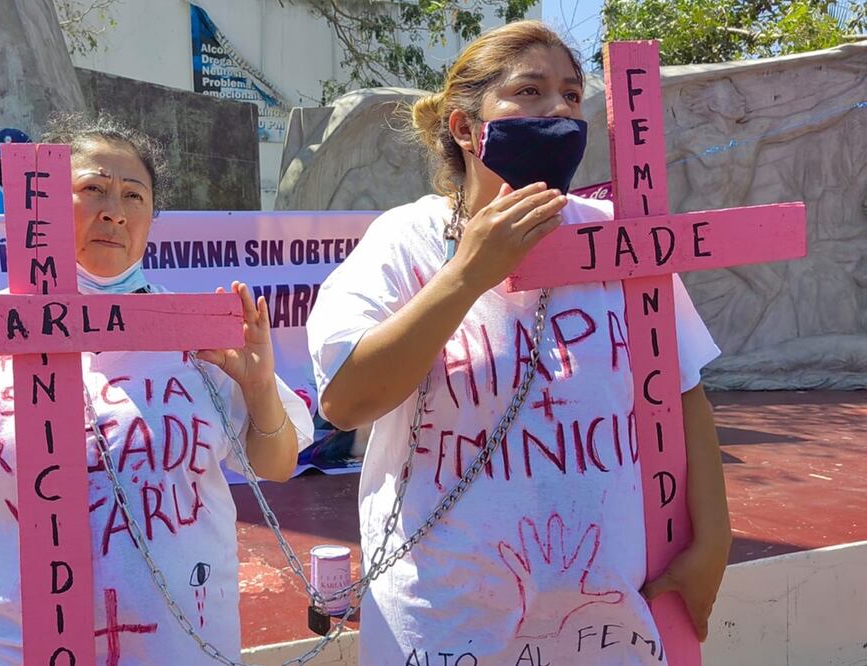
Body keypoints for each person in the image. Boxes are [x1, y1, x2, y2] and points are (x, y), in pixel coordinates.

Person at [306, 21, 731, 665]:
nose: (558, 109)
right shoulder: (405, 241)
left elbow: (684, 392)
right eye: (529, 92)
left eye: (569, 93)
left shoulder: (618, 238)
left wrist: (714, 542)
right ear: (464, 129)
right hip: (448, 611)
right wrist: (469, 272)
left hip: (606, 607)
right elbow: (346, 401)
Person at [0, 113, 312, 664]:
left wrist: (257, 386)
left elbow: (275, 463)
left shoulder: (200, 335)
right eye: (93, 189)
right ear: (41, 207)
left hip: (181, 645)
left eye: (134, 196)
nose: (114, 211)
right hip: (9, 645)